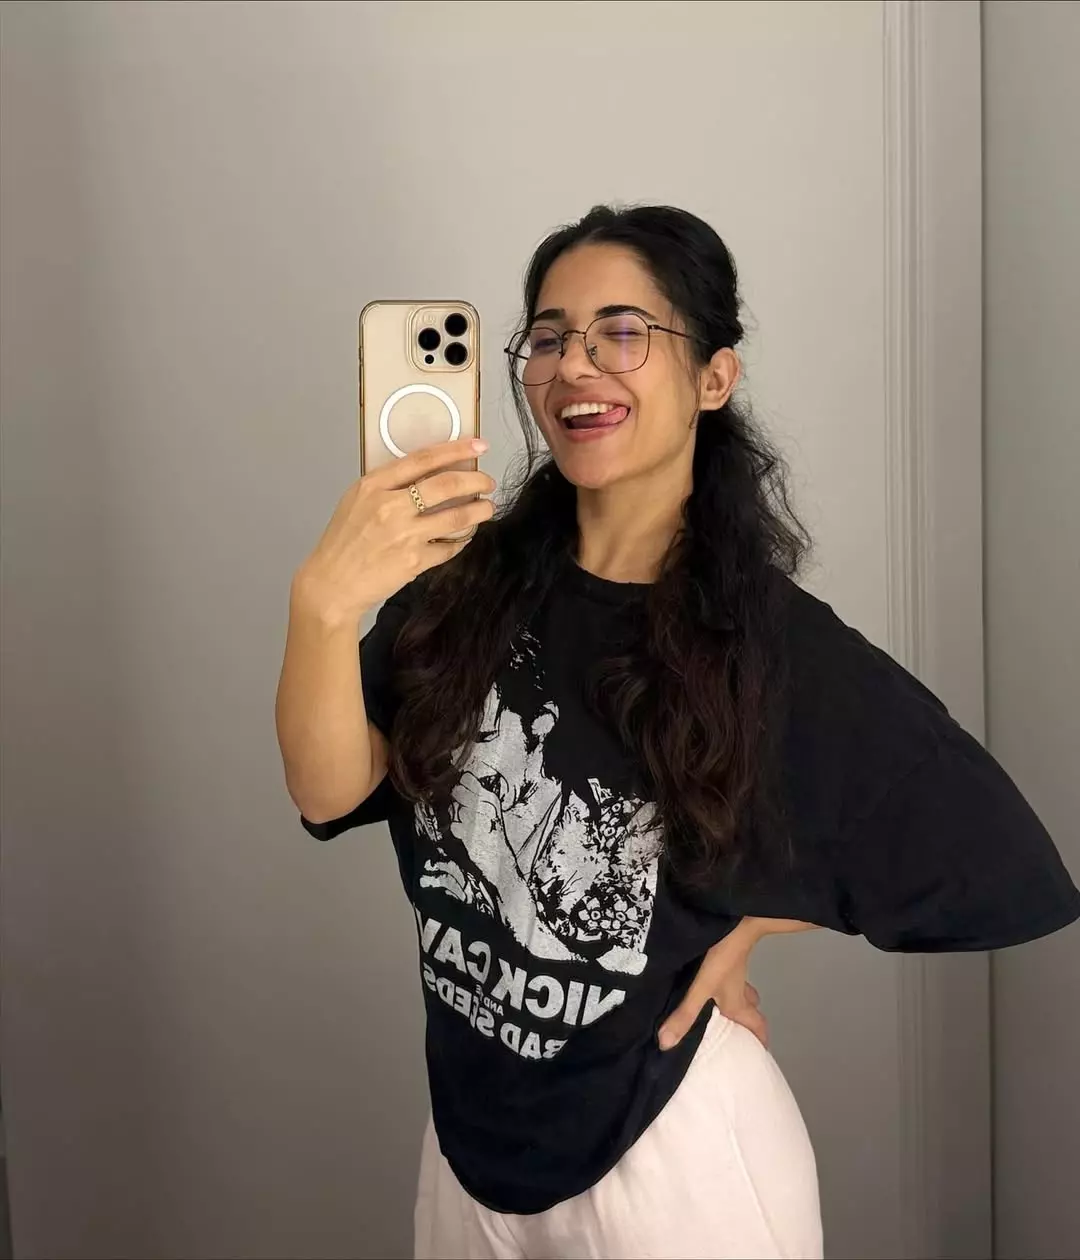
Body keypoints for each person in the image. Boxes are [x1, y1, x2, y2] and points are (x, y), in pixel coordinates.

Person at [275, 205, 1080, 1260]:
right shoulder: (466, 587)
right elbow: (331, 790)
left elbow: (1004, 867)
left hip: (673, 1156)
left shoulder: (769, 645)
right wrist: (323, 609)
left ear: (714, 377)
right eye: (550, 337)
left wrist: (744, 923)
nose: (575, 365)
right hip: (471, 1142)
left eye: (623, 332)